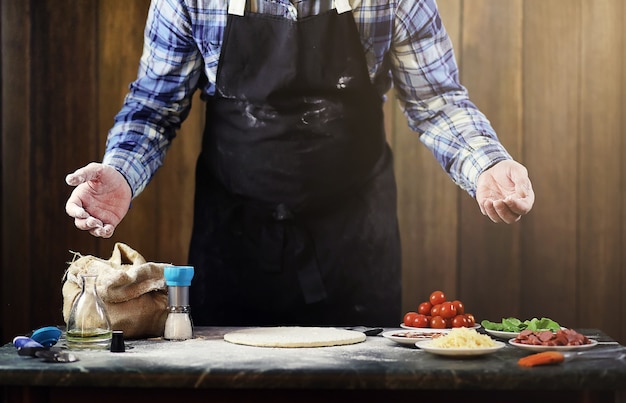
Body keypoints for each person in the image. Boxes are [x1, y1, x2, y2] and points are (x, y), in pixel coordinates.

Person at [65, 0, 534, 328]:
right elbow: (154, 105)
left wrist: (487, 165)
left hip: (355, 239)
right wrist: (123, 171)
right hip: (234, 235)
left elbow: (436, 102)